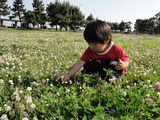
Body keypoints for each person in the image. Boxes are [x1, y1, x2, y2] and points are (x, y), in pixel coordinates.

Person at [56, 20, 129, 83]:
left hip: (111, 70)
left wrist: (123, 65)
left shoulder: (115, 48)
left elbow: (125, 60)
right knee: (88, 64)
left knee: (113, 63)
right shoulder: (90, 50)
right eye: (88, 43)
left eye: (94, 44)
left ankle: (112, 79)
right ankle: (94, 77)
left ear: (107, 41)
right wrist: (68, 75)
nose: (91, 46)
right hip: (100, 70)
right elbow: (80, 62)